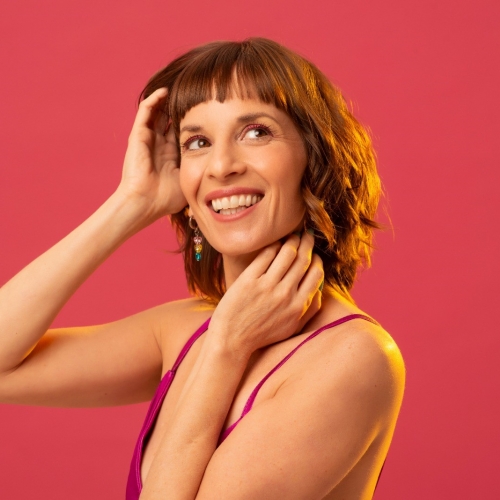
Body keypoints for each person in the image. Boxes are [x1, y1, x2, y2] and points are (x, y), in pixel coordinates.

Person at [0, 37, 405, 499]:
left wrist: (227, 348)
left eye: (256, 132)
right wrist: (131, 203)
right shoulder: (185, 329)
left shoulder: (353, 357)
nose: (221, 165)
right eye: (198, 142)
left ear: (315, 158)